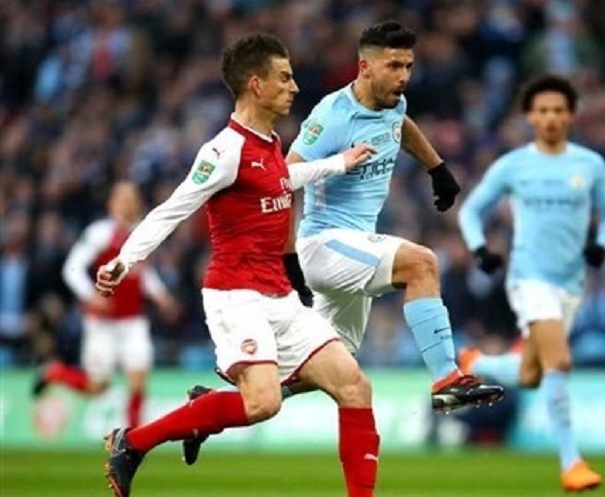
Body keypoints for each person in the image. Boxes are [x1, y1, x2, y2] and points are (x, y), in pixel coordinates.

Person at [96, 32, 378, 497]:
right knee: (264, 403)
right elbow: (174, 207)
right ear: (256, 85)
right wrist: (126, 258)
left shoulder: (269, 143)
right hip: (236, 295)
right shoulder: (223, 151)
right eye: (284, 78)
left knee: (354, 385)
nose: (294, 87)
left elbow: (283, 178)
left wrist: (338, 163)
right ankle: (134, 442)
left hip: (279, 296)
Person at [284, 20, 504, 411]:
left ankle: (215, 404)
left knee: (330, 365)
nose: (404, 76)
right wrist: (286, 257)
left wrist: (437, 168)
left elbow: (400, 125)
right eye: (393, 66)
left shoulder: (393, 103)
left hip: (353, 246)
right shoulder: (331, 116)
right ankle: (448, 380)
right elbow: (282, 181)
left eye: (408, 66)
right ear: (365, 67)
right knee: (422, 263)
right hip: (323, 243)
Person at [457, 74, 605, 492]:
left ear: (571, 115)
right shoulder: (514, 165)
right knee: (559, 361)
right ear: (530, 116)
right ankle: (571, 463)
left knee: (532, 373)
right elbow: (471, 211)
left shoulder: (590, 165)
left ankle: (477, 364)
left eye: (558, 110)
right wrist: (481, 249)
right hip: (529, 279)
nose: (550, 117)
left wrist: (601, 245)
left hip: (571, 284)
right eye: (543, 110)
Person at [33, 181, 177, 428]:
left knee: (138, 380)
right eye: (122, 198)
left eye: (131, 198)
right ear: (112, 203)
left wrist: (160, 295)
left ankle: (131, 440)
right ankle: (55, 372)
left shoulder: (142, 233)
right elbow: (72, 268)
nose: (128, 203)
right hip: (102, 323)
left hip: (133, 320)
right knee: (97, 386)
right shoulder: (99, 233)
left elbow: (142, 272)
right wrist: (91, 296)